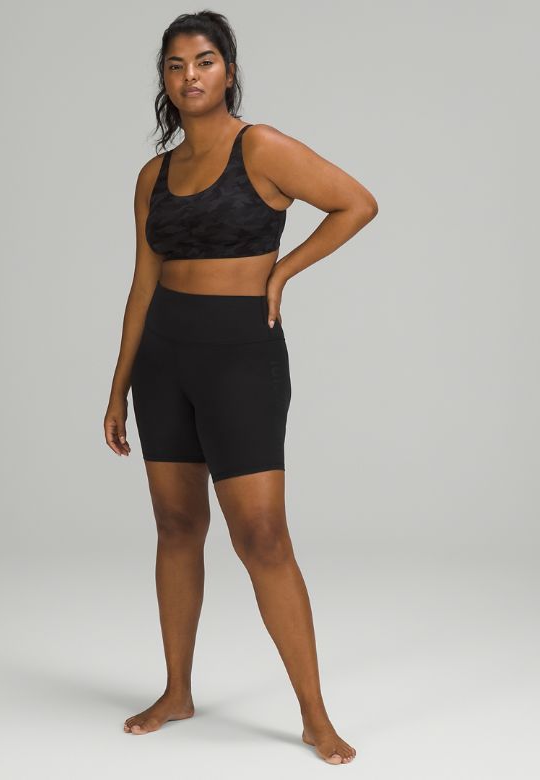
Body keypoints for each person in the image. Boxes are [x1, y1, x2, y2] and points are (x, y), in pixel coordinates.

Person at [104, 10, 377, 766]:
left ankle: (315, 717)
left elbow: (357, 202)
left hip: (240, 357)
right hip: (163, 358)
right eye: (175, 65)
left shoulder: (261, 147)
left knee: (261, 536)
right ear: (163, 79)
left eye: (204, 61)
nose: (189, 76)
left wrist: (282, 272)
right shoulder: (153, 176)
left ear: (228, 69)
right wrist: (118, 386)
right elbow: (141, 285)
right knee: (176, 525)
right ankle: (176, 691)